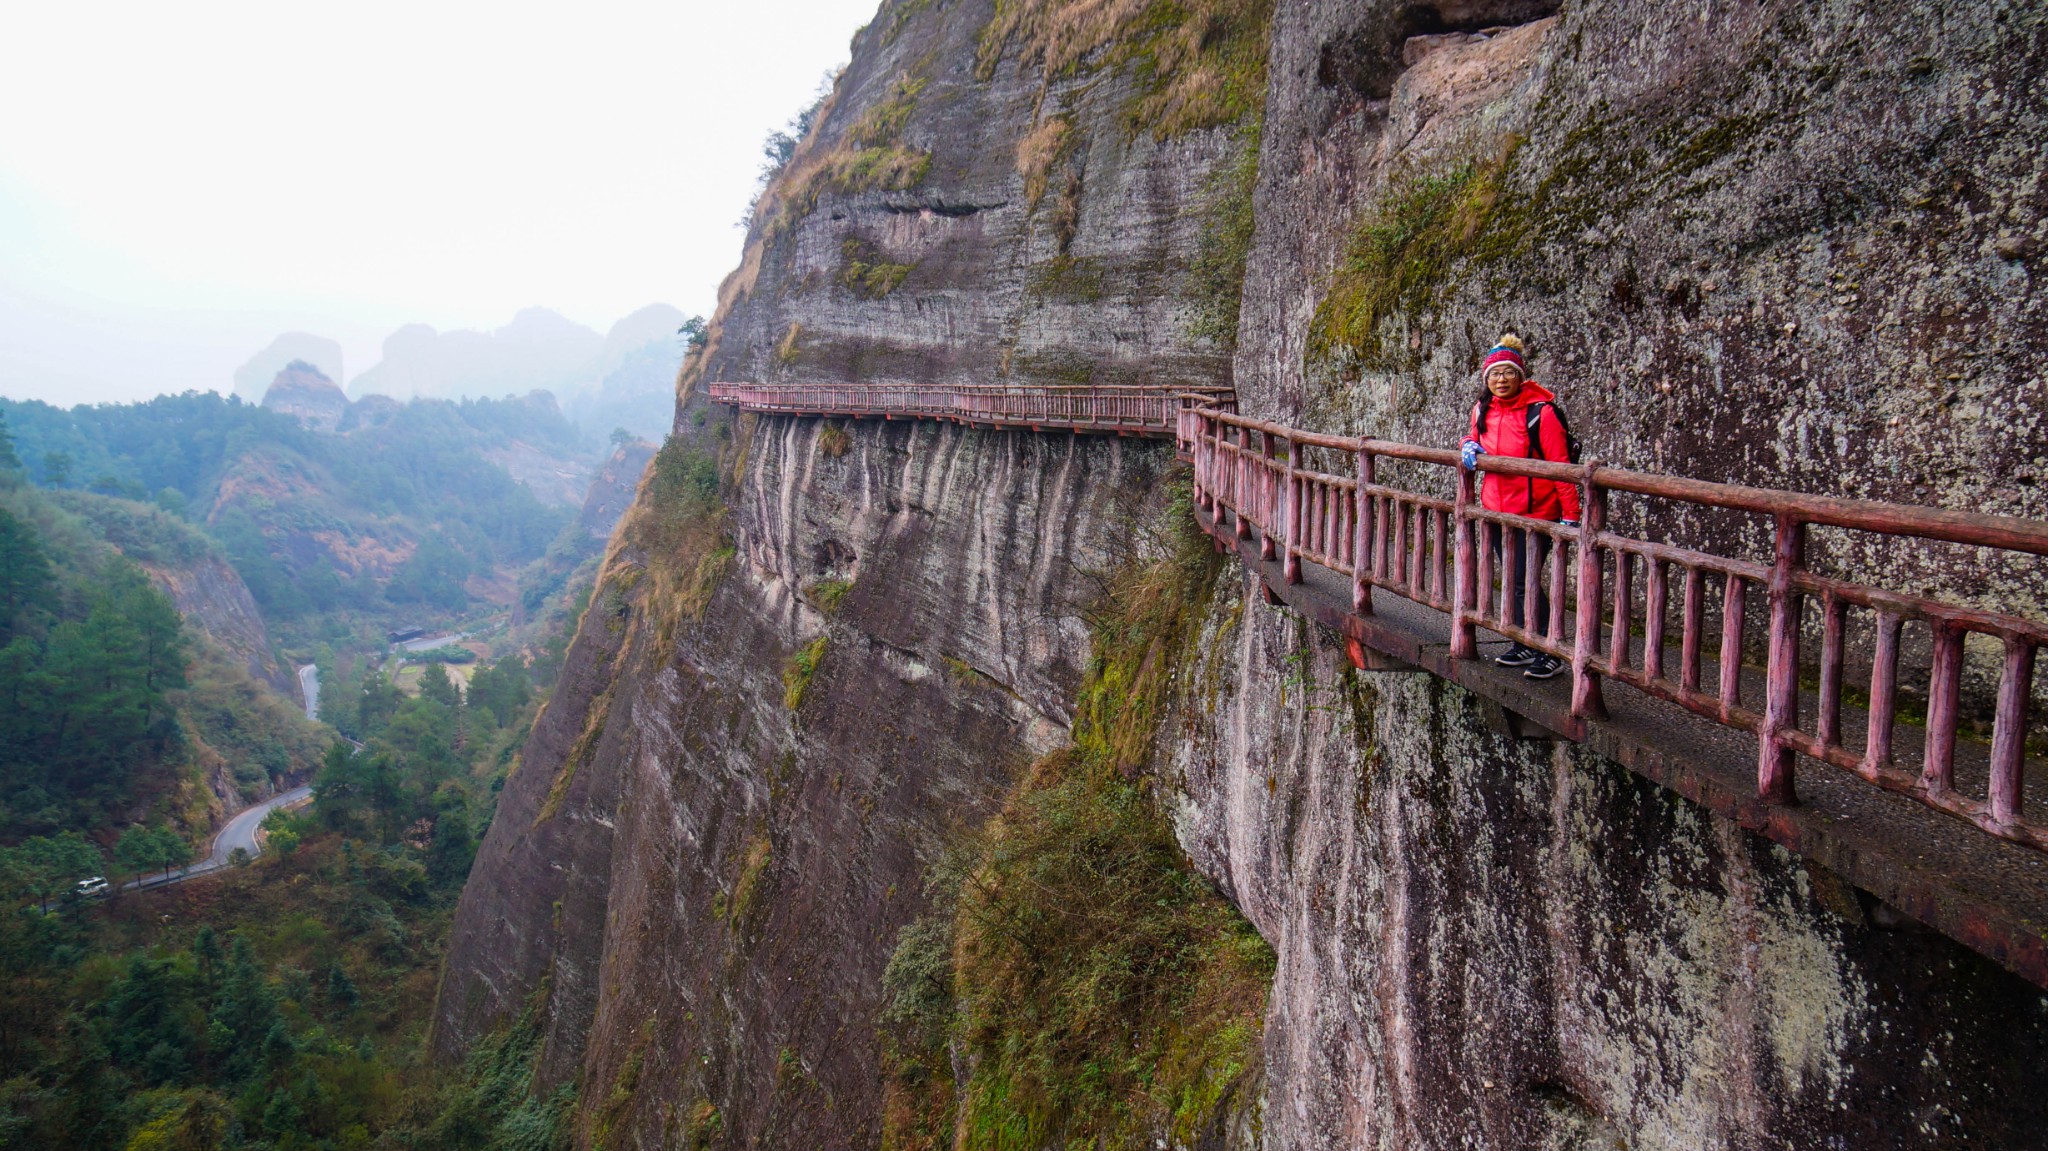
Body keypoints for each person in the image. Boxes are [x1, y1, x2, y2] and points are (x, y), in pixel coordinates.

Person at [1459, 334, 1580, 680]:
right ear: (1487, 379)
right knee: (1513, 580)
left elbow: (1561, 465)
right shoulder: (1483, 409)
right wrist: (1467, 443)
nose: (1501, 380)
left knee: (1527, 580)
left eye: (1508, 372)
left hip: (1536, 512)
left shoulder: (1541, 413)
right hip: (1497, 510)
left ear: (1521, 375)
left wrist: (1571, 516)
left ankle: (1548, 650)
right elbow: (1474, 436)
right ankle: (1524, 643)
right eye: (1495, 374)